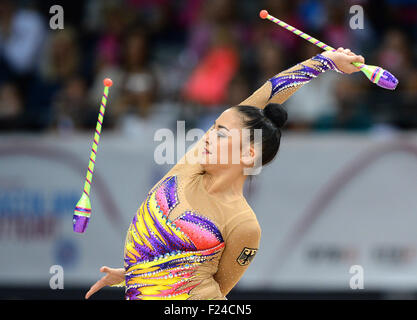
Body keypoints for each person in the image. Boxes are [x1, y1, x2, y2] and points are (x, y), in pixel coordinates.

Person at [85, 47, 364, 300]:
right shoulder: (190, 167)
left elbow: (216, 291)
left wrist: (154, 281)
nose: (207, 136)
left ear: (248, 154)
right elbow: (266, 94)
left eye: (221, 132)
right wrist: (325, 61)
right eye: (213, 127)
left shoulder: (243, 224)